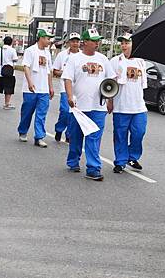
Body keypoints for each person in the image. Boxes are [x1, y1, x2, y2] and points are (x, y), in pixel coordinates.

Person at [62, 28, 116, 181]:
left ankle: (93, 168)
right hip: (79, 106)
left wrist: (110, 101)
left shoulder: (103, 59)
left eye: (98, 40)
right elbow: (67, 79)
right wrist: (70, 96)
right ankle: (73, 161)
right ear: (85, 42)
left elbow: (110, 82)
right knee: (76, 136)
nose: (96, 43)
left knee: (94, 137)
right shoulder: (74, 59)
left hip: (98, 106)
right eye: (93, 40)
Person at [109, 32, 148, 173]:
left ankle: (132, 156)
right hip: (121, 106)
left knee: (139, 132)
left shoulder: (141, 62)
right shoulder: (115, 61)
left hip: (138, 106)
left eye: (127, 43)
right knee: (120, 135)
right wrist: (110, 101)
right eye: (122, 43)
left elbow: (143, 84)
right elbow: (110, 84)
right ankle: (120, 161)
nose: (124, 45)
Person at [17, 29, 55, 147]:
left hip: (43, 90)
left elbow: (49, 71)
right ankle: (23, 131)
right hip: (31, 89)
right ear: (41, 38)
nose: (49, 41)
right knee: (27, 112)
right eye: (48, 39)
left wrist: (51, 87)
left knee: (41, 114)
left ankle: (39, 137)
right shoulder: (30, 50)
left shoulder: (47, 53)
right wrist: (29, 82)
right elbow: (26, 67)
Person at [51, 32, 81, 142]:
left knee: (73, 113)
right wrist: (65, 73)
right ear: (68, 42)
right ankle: (59, 129)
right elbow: (55, 71)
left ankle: (69, 134)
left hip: (78, 90)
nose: (75, 43)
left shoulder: (82, 56)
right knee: (64, 111)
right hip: (65, 88)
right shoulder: (62, 55)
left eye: (77, 41)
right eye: (73, 41)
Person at [0, 36, 18, 109]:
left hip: (0, 71)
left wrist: (0, 65)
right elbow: (15, 59)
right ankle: (6, 104)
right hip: (9, 72)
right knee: (9, 88)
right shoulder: (12, 50)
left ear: (4, 42)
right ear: (11, 42)